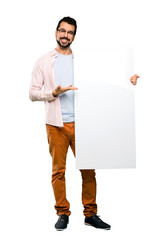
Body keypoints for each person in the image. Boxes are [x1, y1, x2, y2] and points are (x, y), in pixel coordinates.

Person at [29, 16, 140, 231]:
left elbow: (105, 83)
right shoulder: (43, 61)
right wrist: (53, 93)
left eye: (70, 32)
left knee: (89, 171)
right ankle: (62, 213)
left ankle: (90, 214)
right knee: (58, 171)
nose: (65, 35)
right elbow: (32, 93)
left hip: (84, 124)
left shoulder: (83, 61)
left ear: (74, 36)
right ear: (56, 32)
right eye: (62, 31)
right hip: (56, 125)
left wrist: (128, 81)